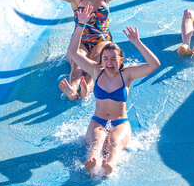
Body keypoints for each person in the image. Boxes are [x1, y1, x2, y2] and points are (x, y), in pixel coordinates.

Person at [27, 0, 143, 100]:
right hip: (81, 38)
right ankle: (73, 89)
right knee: (78, 61)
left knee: (96, 59)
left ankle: (86, 88)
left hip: (102, 39)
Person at [68, 26, 160, 176]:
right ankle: (91, 163)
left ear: (121, 60)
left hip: (120, 122)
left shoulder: (128, 74)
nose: (109, 63)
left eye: (113, 59)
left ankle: (109, 165)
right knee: (97, 141)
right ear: (101, 60)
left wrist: (137, 42)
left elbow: (154, 64)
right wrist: (80, 26)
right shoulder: (96, 70)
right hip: (98, 120)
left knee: (114, 142)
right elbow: (73, 52)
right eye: (105, 59)